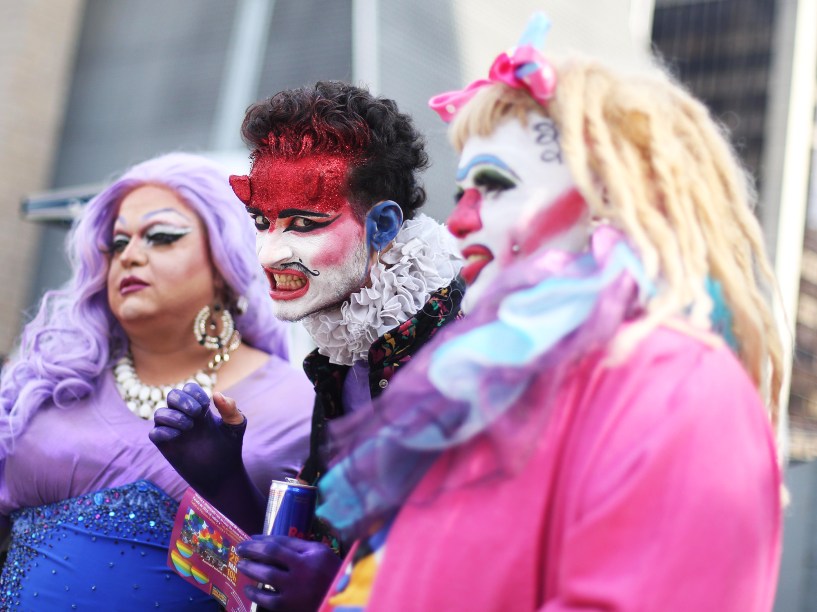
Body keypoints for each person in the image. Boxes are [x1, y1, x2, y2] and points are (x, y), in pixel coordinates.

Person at [313, 14, 784, 611]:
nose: (460, 221)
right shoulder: (489, 386)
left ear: (611, 200)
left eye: (496, 185)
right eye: (462, 194)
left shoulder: (676, 385)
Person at [150, 81, 464, 611]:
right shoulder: (346, 353)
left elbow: (494, 562)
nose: (271, 252)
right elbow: (296, 563)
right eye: (261, 222)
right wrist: (223, 475)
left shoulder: (467, 350)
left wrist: (348, 584)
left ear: (383, 226)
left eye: (304, 223)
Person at [0, 152, 314, 611]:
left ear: (226, 264)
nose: (129, 255)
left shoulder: (300, 405)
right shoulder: (43, 387)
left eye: (162, 236)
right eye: (116, 243)